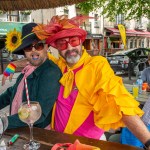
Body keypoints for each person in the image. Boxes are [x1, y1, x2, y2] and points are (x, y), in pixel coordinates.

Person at [3, 16, 150, 149]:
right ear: (56, 48)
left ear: (81, 42)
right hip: (57, 141)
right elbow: (35, 58)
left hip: (87, 143)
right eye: (62, 44)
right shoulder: (61, 65)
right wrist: (11, 66)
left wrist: (147, 141)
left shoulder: (97, 66)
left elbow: (121, 103)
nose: (70, 48)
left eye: (73, 41)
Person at [0, 23, 61, 129]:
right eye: (28, 47)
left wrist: (3, 122)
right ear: (24, 51)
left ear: (46, 46)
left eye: (39, 45)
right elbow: (13, 92)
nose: (34, 50)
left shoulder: (51, 72)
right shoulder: (28, 70)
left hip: (37, 135)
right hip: (20, 130)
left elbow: (38, 113)